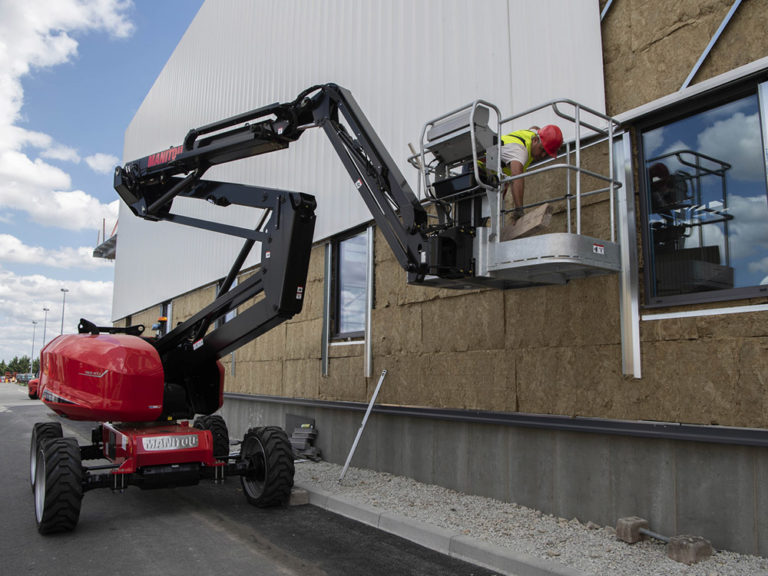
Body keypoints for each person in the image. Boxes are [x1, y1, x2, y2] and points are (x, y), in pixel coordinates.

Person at [500, 124, 563, 221]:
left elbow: (534, 128)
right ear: (535, 140)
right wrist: (519, 210)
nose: (542, 155)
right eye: (542, 150)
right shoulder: (519, 150)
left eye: (546, 153)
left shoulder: (533, 135)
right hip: (480, 171)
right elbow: (516, 177)